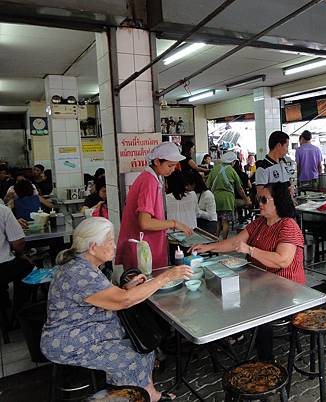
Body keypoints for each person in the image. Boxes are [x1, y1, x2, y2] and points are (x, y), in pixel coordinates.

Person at [41, 217, 192, 402]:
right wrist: (165, 278)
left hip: (88, 328)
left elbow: (104, 296)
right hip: (70, 340)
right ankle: (134, 395)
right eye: (110, 241)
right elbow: (124, 301)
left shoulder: (85, 264)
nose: (114, 246)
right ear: (93, 247)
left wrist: (126, 289)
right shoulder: (79, 272)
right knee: (133, 354)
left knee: (143, 345)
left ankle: (148, 394)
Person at [190, 182, 305, 360]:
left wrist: (251, 250)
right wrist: (207, 247)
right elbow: (235, 242)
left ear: (278, 202)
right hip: (261, 280)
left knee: (260, 310)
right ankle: (237, 334)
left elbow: (283, 260)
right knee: (225, 293)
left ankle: (266, 361)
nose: (259, 203)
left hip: (285, 286)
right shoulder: (260, 222)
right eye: (258, 199)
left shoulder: (288, 226)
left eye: (264, 199)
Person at [115, 142, 193, 273]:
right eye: (170, 165)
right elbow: (144, 223)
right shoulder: (149, 181)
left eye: (174, 166)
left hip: (145, 247)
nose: (172, 169)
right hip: (143, 251)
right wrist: (174, 223)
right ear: (157, 161)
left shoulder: (152, 178)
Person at [0, 205, 34, 319]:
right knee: (27, 266)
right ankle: (19, 312)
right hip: (2, 267)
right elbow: (18, 242)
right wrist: (20, 254)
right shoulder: (3, 210)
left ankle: (4, 301)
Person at [206, 151, 250, 239]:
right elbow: (239, 188)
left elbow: (207, 185)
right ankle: (224, 241)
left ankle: (215, 241)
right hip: (227, 199)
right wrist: (246, 199)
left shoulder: (214, 169)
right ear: (232, 162)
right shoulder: (231, 170)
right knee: (225, 222)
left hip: (215, 198)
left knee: (218, 221)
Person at [255, 131, 293, 199]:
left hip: (287, 206)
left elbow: (288, 185)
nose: (287, 150)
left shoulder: (283, 163)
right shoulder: (263, 168)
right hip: (274, 208)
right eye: (286, 146)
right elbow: (260, 195)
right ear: (278, 146)